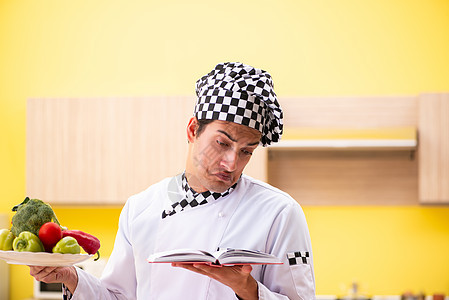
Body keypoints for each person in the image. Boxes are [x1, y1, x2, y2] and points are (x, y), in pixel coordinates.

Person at [30, 62, 315, 299]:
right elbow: (117, 296)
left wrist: (247, 288)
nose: (232, 163)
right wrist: (71, 277)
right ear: (193, 130)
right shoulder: (140, 208)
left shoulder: (279, 212)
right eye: (221, 143)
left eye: (246, 151)